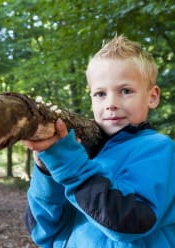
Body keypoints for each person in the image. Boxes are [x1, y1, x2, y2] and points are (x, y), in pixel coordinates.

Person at [22, 34, 175, 247]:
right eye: (100, 94)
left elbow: (129, 223)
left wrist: (69, 165)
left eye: (125, 91)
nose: (111, 103)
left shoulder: (159, 149)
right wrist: (47, 172)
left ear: (152, 96)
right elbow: (43, 231)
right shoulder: (83, 153)